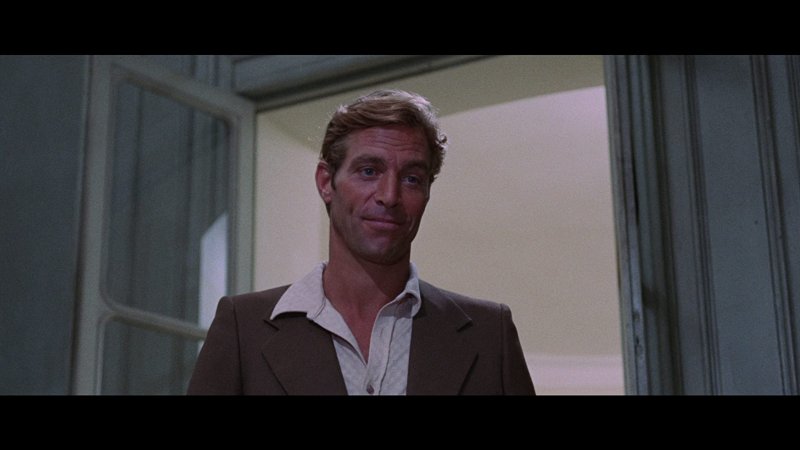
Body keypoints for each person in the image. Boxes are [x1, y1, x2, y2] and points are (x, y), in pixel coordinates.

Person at [187, 89, 535, 395]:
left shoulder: (489, 335)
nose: (389, 195)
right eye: (369, 171)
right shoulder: (244, 329)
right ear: (326, 182)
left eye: (412, 178)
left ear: (428, 192)